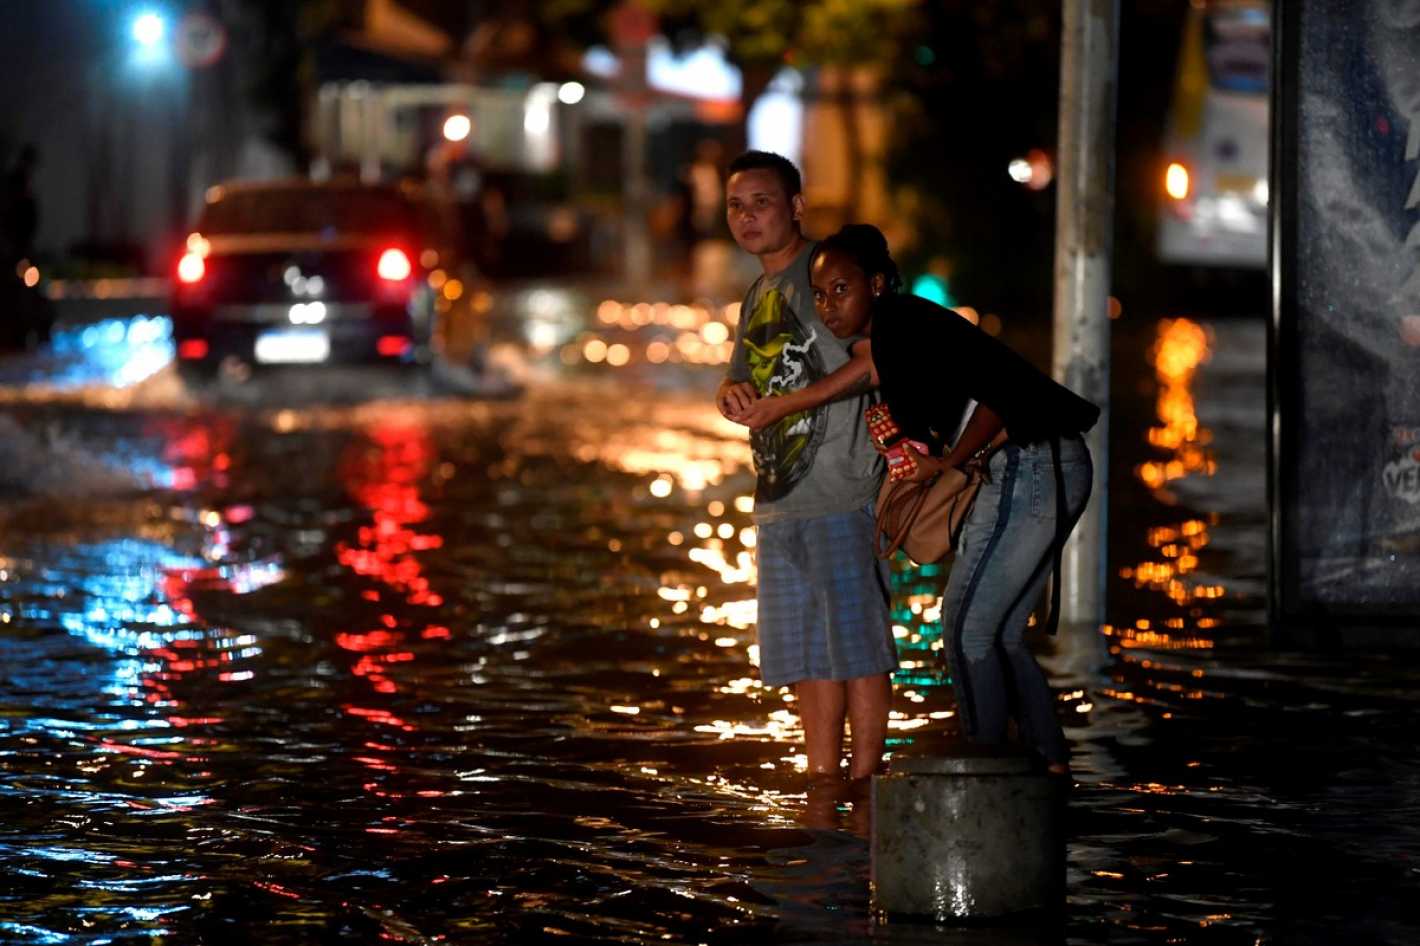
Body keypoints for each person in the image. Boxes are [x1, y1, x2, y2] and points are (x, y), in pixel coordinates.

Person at [807, 224, 1099, 777]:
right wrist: (912, 446)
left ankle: (983, 773)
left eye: (840, 289)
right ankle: (1050, 769)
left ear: (874, 283)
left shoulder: (900, 324)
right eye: (820, 294)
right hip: (1046, 463)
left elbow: (996, 397)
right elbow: (962, 407)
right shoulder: (901, 332)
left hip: (1032, 461)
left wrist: (949, 461)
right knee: (999, 632)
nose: (828, 305)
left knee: (966, 628)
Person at [715, 152, 895, 789]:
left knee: (858, 648)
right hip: (780, 497)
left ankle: (867, 787)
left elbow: (878, 362)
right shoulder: (759, 291)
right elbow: (743, 370)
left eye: (762, 202)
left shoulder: (829, 269)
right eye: (736, 205)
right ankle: (823, 786)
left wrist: (790, 402)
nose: (747, 217)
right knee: (807, 657)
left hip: (842, 490)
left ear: (795, 206)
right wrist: (729, 393)